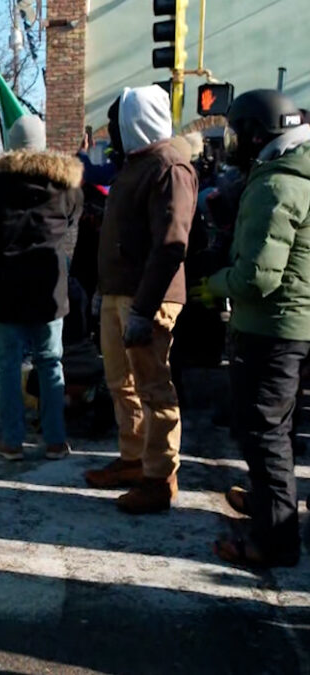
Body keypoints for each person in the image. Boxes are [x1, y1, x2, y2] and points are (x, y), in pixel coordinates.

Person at [202, 90, 310, 567]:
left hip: (270, 330)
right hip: (293, 327)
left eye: (236, 132)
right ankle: (272, 507)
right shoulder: (296, 175)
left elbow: (257, 278)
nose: (232, 142)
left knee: (262, 434)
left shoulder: (275, 186)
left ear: (255, 134)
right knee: (278, 430)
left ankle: (274, 541)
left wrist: (213, 285)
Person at [84, 85, 197, 513]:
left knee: (154, 389)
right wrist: (103, 292)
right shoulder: (134, 165)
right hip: (118, 294)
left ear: (136, 122)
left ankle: (159, 478)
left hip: (148, 300)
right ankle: (133, 459)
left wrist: (144, 310)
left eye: (118, 122)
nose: (111, 131)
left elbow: (170, 246)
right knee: (121, 384)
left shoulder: (169, 167)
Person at [0, 115, 82, 461]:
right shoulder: (66, 186)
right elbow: (73, 220)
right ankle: (56, 440)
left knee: (8, 365)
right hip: (49, 287)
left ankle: (12, 440)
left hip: (4, 287)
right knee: (50, 363)